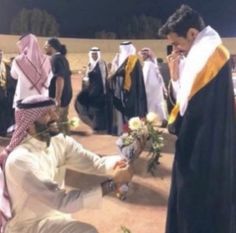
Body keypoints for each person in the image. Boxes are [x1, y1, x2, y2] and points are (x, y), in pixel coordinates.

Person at [0, 95, 135, 233]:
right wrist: (111, 185)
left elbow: (95, 163)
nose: (56, 117)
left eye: (53, 111)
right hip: (29, 226)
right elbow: (62, 202)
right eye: (46, 114)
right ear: (29, 125)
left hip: (57, 219)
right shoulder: (20, 160)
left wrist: (120, 165)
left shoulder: (60, 142)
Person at [159, 4, 236, 233]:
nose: (175, 48)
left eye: (176, 42)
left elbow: (195, 111)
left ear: (192, 33)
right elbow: (186, 102)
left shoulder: (211, 56)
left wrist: (177, 126)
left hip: (206, 151)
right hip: (203, 145)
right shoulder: (203, 52)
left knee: (198, 207)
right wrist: (174, 77)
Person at [109, 41, 147, 135]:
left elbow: (137, 79)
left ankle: (133, 131)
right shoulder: (118, 59)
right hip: (119, 90)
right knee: (120, 110)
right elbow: (114, 73)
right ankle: (122, 129)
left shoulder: (134, 60)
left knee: (131, 111)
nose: (124, 50)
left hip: (132, 92)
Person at [10, 34, 52, 108]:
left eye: (20, 44)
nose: (19, 47)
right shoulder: (48, 60)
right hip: (42, 100)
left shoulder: (18, 60)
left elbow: (14, 76)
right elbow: (50, 78)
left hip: (24, 100)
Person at [75, 47, 110, 133]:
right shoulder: (89, 65)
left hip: (100, 91)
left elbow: (104, 78)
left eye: (96, 54)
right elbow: (86, 78)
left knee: (99, 110)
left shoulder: (102, 64)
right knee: (90, 109)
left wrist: (104, 91)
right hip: (91, 91)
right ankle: (95, 126)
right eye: (93, 54)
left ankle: (101, 128)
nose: (94, 56)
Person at [44, 37, 73, 135]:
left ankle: (61, 147)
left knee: (56, 125)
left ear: (52, 47)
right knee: (63, 122)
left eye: (46, 46)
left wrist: (57, 98)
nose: (44, 48)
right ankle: (68, 145)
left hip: (60, 97)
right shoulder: (62, 58)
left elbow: (59, 79)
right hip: (67, 95)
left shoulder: (55, 59)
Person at [139, 48, 168, 127]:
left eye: (142, 55)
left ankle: (152, 122)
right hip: (156, 90)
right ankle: (162, 120)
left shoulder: (147, 64)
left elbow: (145, 78)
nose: (141, 57)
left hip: (149, 90)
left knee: (151, 106)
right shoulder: (153, 64)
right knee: (158, 104)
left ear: (146, 55)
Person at [0, 51, 16, 137]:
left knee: (5, 114)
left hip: (6, 94)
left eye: (1, 54)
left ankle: (3, 132)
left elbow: (11, 79)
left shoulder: (6, 65)